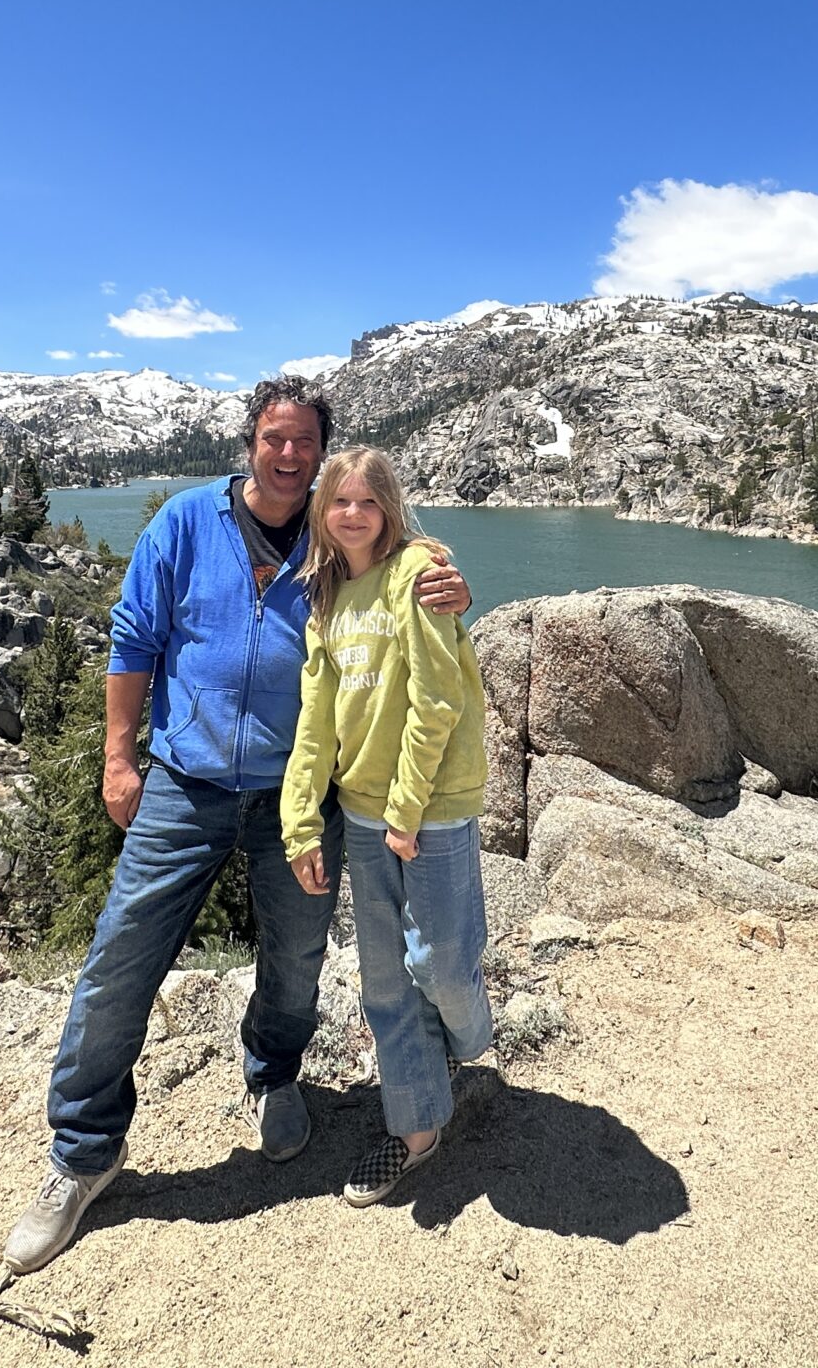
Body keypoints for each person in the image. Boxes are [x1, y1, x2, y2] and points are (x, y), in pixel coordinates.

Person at [3, 379, 470, 1273]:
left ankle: (276, 1076)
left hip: (300, 801)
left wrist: (450, 585)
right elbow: (134, 637)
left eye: (305, 443)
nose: (288, 456)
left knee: (294, 959)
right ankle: (81, 1155)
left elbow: (409, 594)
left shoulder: (343, 539)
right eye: (273, 439)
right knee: (121, 958)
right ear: (249, 442)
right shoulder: (184, 523)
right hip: (185, 785)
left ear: (326, 450)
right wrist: (117, 754)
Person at [281, 446, 494, 1207]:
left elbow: (437, 701)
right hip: (363, 813)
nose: (352, 514)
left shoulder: (418, 575)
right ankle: (416, 1130)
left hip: (431, 808)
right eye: (339, 501)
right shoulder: (328, 598)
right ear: (323, 513)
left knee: (441, 963)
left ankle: (470, 1044)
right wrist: (300, 821)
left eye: (367, 501)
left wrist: (405, 811)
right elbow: (316, 721)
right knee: (383, 984)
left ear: (390, 509)